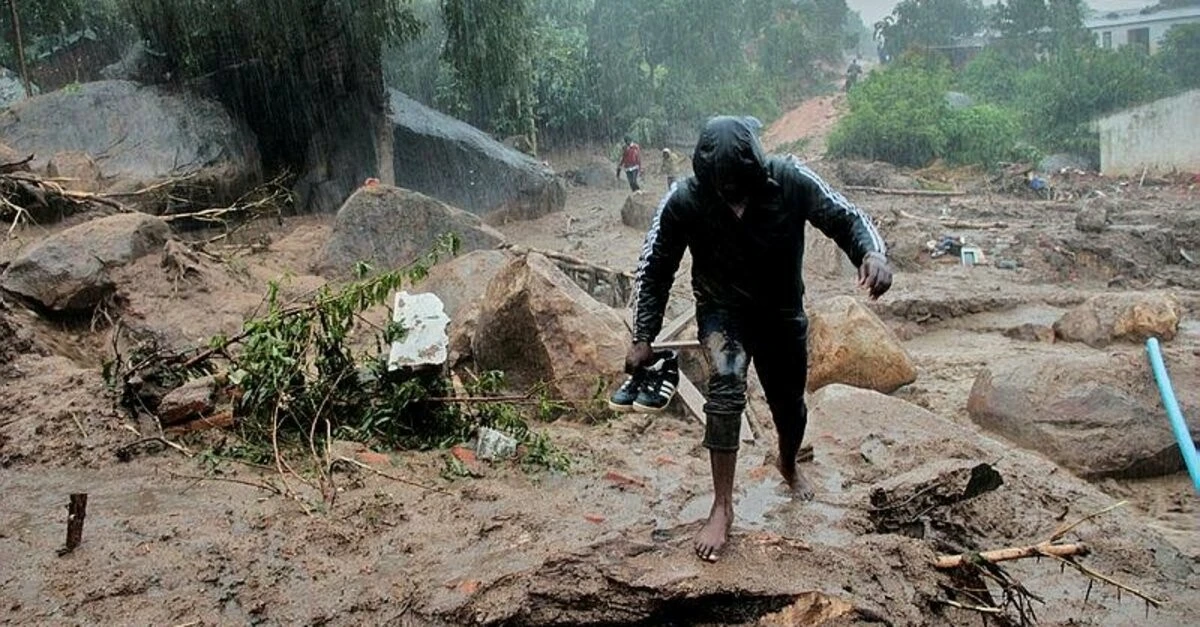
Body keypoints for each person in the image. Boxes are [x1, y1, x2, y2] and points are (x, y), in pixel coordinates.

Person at [624, 116, 893, 562]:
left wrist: (872, 253)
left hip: (782, 311)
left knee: (790, 407)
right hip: (721, 312)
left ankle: (788, 463)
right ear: (705, 177)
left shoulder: (788, 178)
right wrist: (643, 335)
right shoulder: (684, 199)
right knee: (725, 384)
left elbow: (845, 216)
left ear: (758, 169)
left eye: (741, 187)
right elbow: (654, 268)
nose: (732, 196)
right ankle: (722, 506)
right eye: (722, 189)